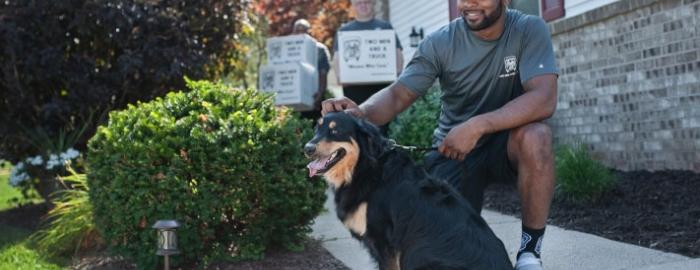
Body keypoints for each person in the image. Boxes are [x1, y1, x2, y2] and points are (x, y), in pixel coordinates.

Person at [322, 1, 558, 269]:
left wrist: (477, 125)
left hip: (507, 143)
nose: (469, 3)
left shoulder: (527, 29)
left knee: (537, 136)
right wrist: (360, 113)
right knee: (444, 241)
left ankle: (529, 254)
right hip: (452, 151)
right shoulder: (441, 42)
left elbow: (544, 98)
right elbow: (399, 94)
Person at [332, 0, 404, 134]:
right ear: (353, 6)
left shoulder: (385, 27)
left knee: (381, 129)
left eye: (367, 2)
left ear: (372, 4)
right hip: (354, 88)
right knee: (357, 127)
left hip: (382, 87)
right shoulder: (345, 30)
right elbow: (337, 57)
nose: (363, 6)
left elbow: (397, 52)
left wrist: (398, 73)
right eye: (359, 3)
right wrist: (339, 77)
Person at [292, 19, 331, 123]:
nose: (300, 33)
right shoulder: (289, 50)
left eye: (303, 30)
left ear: (309, 32)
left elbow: (323, 74)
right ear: (293, 32)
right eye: (297, 30)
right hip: (292, 102)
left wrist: (320, 93)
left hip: (313, 100)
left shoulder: (320, 50)